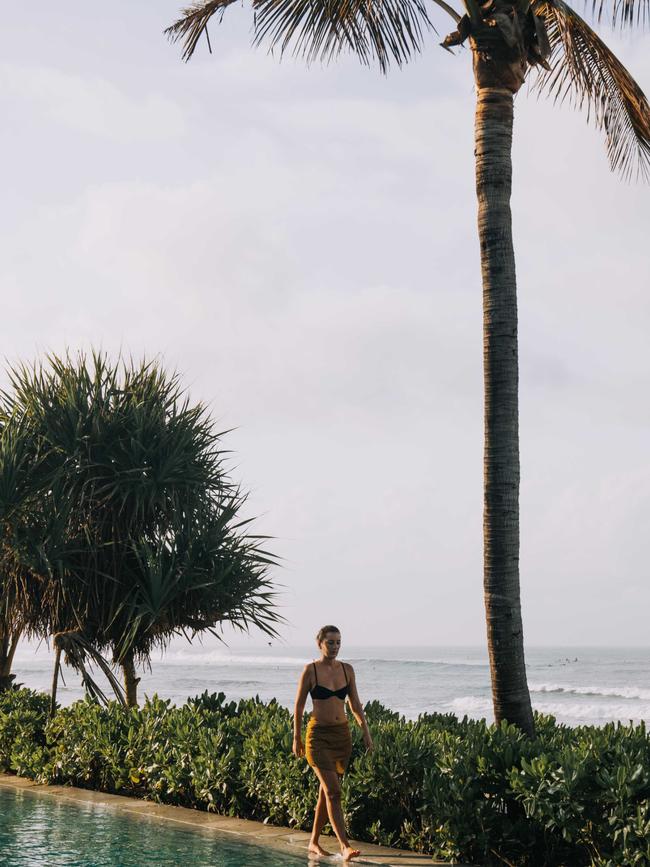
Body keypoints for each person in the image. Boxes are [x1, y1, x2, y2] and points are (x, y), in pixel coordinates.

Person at [293, 625, 374, 861]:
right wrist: (296, 738)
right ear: (320, 644)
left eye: (338, 642)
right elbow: (298, 707)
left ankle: (314, 842)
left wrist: (366, 733)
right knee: (334, 792)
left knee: (325, 793)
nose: (335, 647)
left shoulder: (347, 670)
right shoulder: (311, 670)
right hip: (317, 737)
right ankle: (344, 845)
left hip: (341, 737)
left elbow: (355, 705)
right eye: (330, 642)